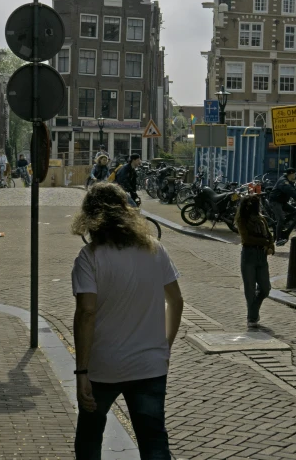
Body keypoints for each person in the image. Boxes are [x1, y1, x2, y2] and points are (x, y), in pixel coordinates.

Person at [70, 183, 184, 459]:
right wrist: (165, 345)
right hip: (149, 364)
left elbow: (87, 312)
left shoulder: (90, 258)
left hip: (103, 365)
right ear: (127, 212)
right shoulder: (155, 249)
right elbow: (176, 301)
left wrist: (81, 372)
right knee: (154, 440)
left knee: (89, 436)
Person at [235, 195, 275, 329]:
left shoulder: (261, 219)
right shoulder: (242, 220)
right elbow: (246, 239)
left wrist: (270, 246)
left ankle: (253, 312)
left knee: (265, 288)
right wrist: (264, 242)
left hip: (262, 256)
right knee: (250, 288)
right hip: (249, 255)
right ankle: (252, 317)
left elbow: (269, 235)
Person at [268, 168, 296, 247]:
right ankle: (278, 239)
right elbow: (289, 190)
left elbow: (294, 190)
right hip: (275, 201)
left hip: (282, 202)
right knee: (281, 219)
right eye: (295, 174)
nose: (295, 175)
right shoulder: (283, 181)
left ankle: (285, 231)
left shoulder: (289, 181)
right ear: (291, 173)